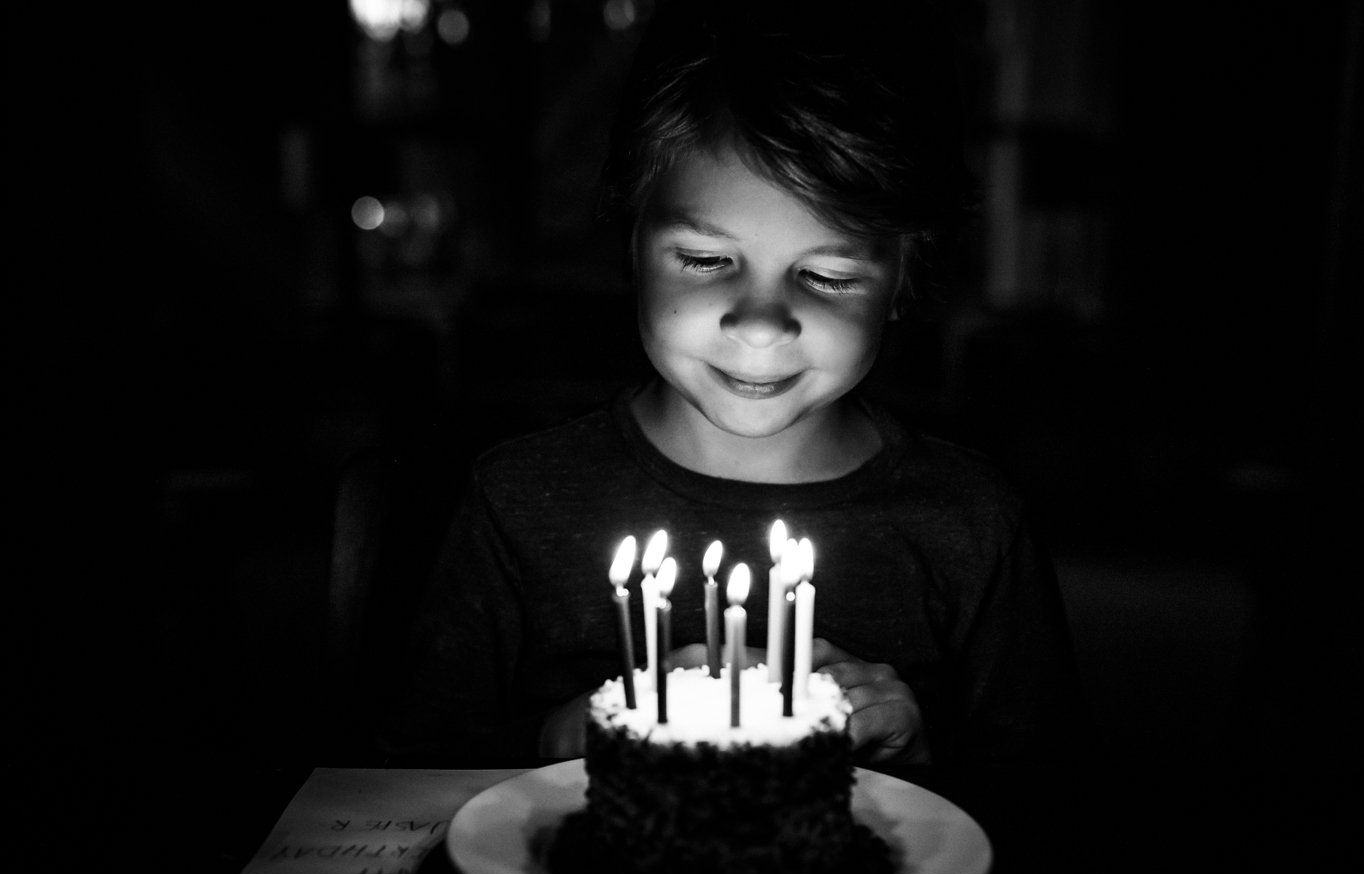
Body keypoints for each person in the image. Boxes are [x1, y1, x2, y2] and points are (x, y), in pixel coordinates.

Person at [380, 1, 1089, 811]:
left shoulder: (969, 522)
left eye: (827, 274)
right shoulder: (516, 500)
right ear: (631, 243)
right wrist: (558, 742)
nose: (760, 323)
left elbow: (1052, 813)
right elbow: (401, 782)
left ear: (902, 281)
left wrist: (918, 753)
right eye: (707, 258)